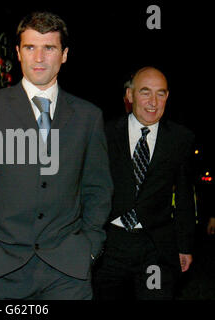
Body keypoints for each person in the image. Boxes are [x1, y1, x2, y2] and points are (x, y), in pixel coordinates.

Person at [0, 11, 113, 300]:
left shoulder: (88, 116)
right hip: (1, 268)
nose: (39, 58)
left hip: (69, 270)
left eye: (49, 48)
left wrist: (90, 247)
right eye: (30, 47)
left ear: (64, 54)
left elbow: (98, 189)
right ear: (18, 52)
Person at [93, 66, 196, 300]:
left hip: (155, 247)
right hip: (109, 246)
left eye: (160, 93)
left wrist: (185, 245)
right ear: (130, 95)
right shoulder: (104, 133)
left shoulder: (180, 139)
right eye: (145, 92)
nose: (153, 102)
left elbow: (184, 196)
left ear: (167, 97)